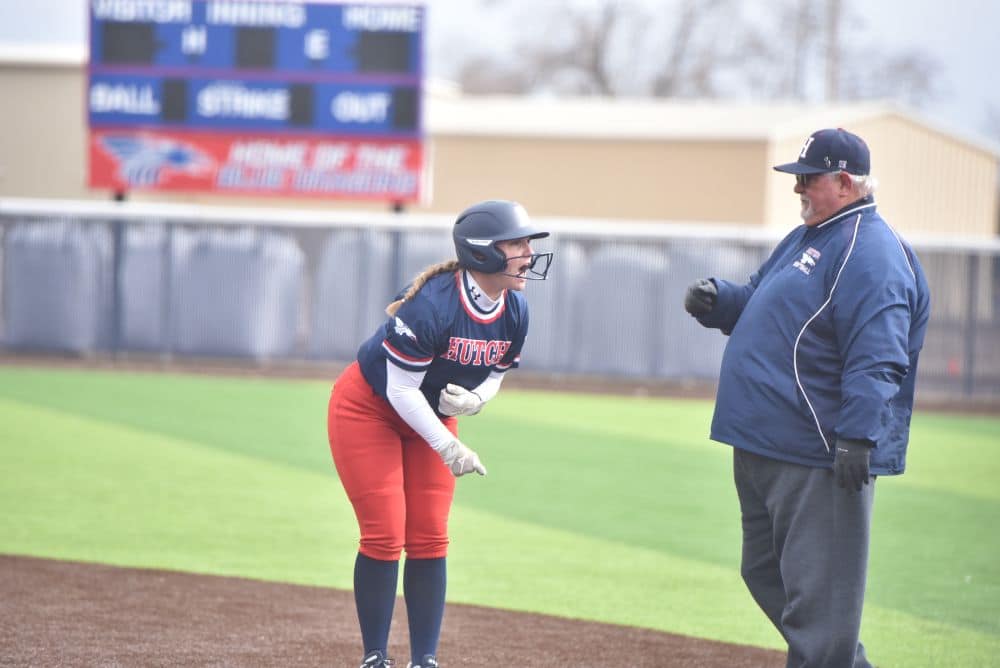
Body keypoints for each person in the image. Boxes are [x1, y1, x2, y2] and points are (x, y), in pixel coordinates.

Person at [683, 128, 930, 668]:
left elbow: (879, 355)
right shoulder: (810, 236)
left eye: (808, 180)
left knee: (822, 607)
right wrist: (721, 302)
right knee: (766, 573)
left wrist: (857, 436)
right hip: (765, 441)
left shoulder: (872, 252)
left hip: (816, 450)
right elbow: (760, 299)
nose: (798, 190)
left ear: (844, 182)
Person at [327, 200, 553, 668]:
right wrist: (449, 445)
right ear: (483, 251)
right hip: (370, 409)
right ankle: (375, 657)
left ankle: (424, 660)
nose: (529, 254)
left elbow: (497, 371)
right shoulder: (433, 304)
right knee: (385, 532)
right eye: (517, 243)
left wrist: (477, 399)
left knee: (430, 534)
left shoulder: (516, 309)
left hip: (429, 415)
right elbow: (400, 390)